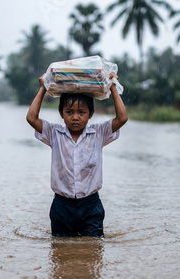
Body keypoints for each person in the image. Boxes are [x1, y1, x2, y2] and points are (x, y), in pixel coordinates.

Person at [26, 72, 127, 237]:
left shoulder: (99, 133)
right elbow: (31, 118)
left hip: (91, 205)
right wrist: (43, 87)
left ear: (91, 114)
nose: (75, 117)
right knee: (61, 252)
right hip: (62, 205)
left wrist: (113, 86)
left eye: (81, 112)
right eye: (69, 112)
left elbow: (122, 118)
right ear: (61, 113)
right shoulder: (54, 133)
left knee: (93, 250)